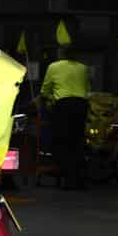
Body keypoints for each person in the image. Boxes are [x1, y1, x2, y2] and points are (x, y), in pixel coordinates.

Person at [41, 45, 91, 190]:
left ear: (61, 54)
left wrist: (51, 98)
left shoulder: (53, 67)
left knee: (62, 141)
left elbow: (45, 91)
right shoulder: (83, 68)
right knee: (77, 141)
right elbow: (87, 88)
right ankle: (78, 179)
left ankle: (65, 178)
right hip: (81, 105)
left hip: (63, 106)